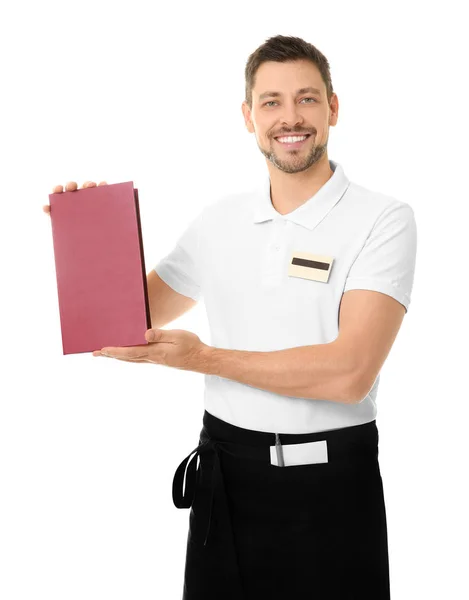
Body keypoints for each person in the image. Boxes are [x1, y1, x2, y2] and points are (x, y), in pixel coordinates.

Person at [45, 34, 417, 600]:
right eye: (271, 102)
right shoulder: (220, 220)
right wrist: (88, 235)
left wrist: (203, 359)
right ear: (248, 116)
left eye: (307, 99)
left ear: (333, 108)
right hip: (226, 479)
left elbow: (349, 374)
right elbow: (120, 320)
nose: (289, 118)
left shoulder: (383, 219)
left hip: (331, 491)